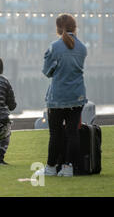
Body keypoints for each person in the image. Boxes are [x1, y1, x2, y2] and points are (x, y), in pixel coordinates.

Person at [41, 14, 87, 177]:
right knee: (72, 133)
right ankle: (68, 168)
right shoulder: (82, 47)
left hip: (58, 97)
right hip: (77, 96)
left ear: (58, 28)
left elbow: (47, 72)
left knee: (56, 134)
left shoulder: (54, 47)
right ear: (75, 27)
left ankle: (51, 167)